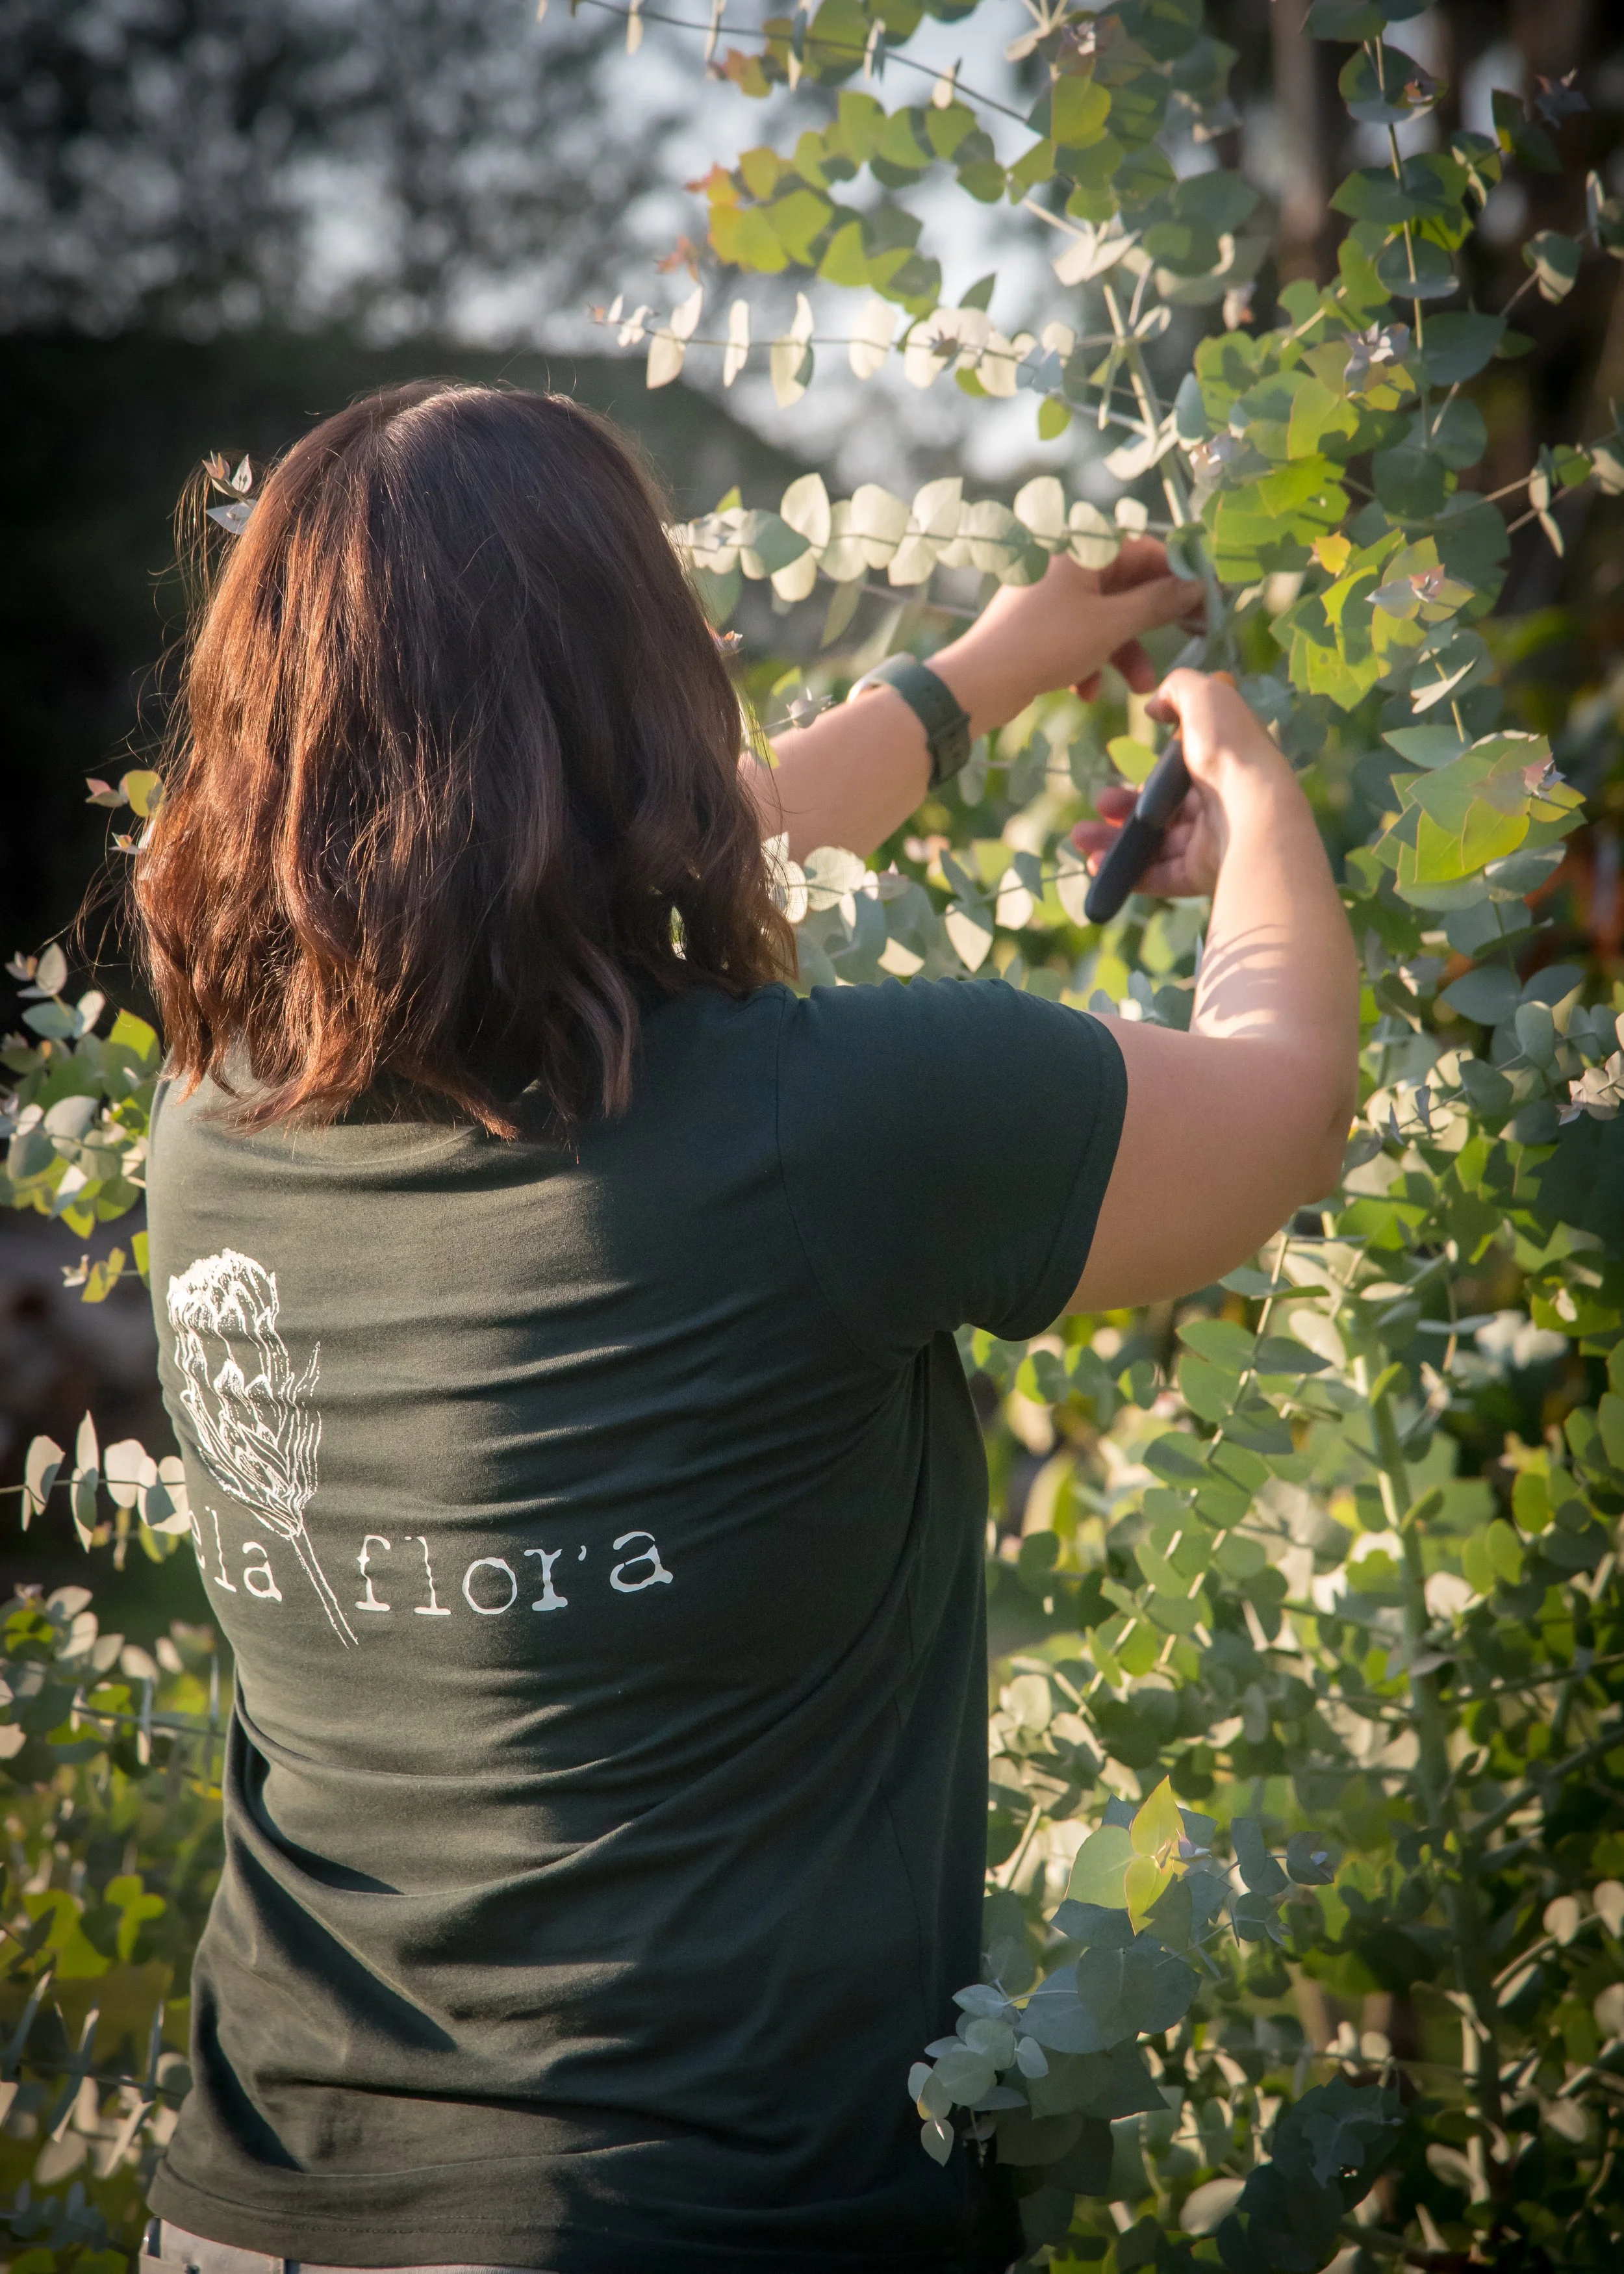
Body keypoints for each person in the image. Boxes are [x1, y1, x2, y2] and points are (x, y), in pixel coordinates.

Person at [133, 381, 1357, 2274]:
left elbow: (603, 859)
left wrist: (988, 670)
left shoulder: (214, 1130)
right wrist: (1256, 797)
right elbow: (1279, 1095)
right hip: (709, 2224)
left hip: (252, 2211)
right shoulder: (833, 1124)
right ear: (642, 686)